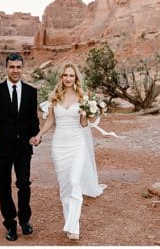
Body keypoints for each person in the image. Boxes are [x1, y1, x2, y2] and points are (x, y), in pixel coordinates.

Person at [30, 63, 105, 241]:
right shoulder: (54, 97)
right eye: (65, 75)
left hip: (77, 143)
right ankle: (70, 225)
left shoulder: (83, 98)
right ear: (61, 77)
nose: (68, 78)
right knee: (64, 186)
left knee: (74, 181)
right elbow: (50, 121)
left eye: (71, 75)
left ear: (76, 78)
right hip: (59, 145)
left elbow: (84, 124)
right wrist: (39, 135)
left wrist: (88, 115)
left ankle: (73, 226)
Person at [0, 53, 41, 241]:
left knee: (24, 184)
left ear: (22, 68)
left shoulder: (31, 92)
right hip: (2, 148)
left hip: (23, 147)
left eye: (18, 67)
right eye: (12, 67)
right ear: (6, 68)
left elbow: (33, 119)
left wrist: (35, 135)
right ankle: (10, 224)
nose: (15, 70)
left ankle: (25, 220)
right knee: (4, 186)